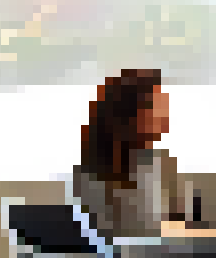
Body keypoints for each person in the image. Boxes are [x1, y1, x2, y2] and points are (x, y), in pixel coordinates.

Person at [69, 68, 185, 247]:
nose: (167, 119)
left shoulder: (161, 161)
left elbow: (180, 224)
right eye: (159, 108)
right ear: (132, 113)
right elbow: (143, 235)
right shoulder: (95, 174)